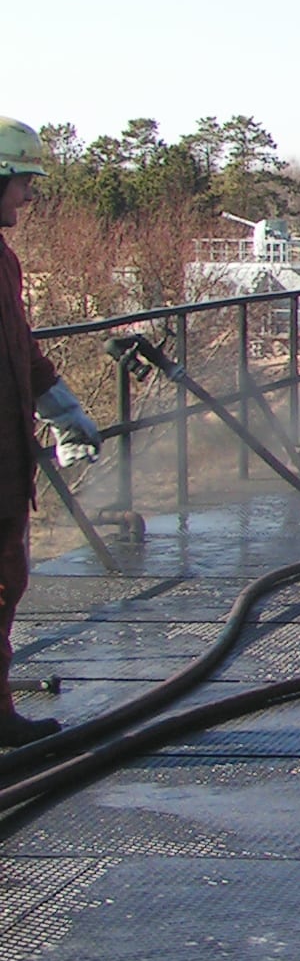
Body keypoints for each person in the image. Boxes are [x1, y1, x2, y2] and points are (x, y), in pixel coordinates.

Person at [0, 117, 103, 745]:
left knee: (6, 585)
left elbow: (22, 349)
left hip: (7, 466)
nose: (29, 195)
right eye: (23, 181)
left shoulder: (4, 261)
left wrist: (62, 409)